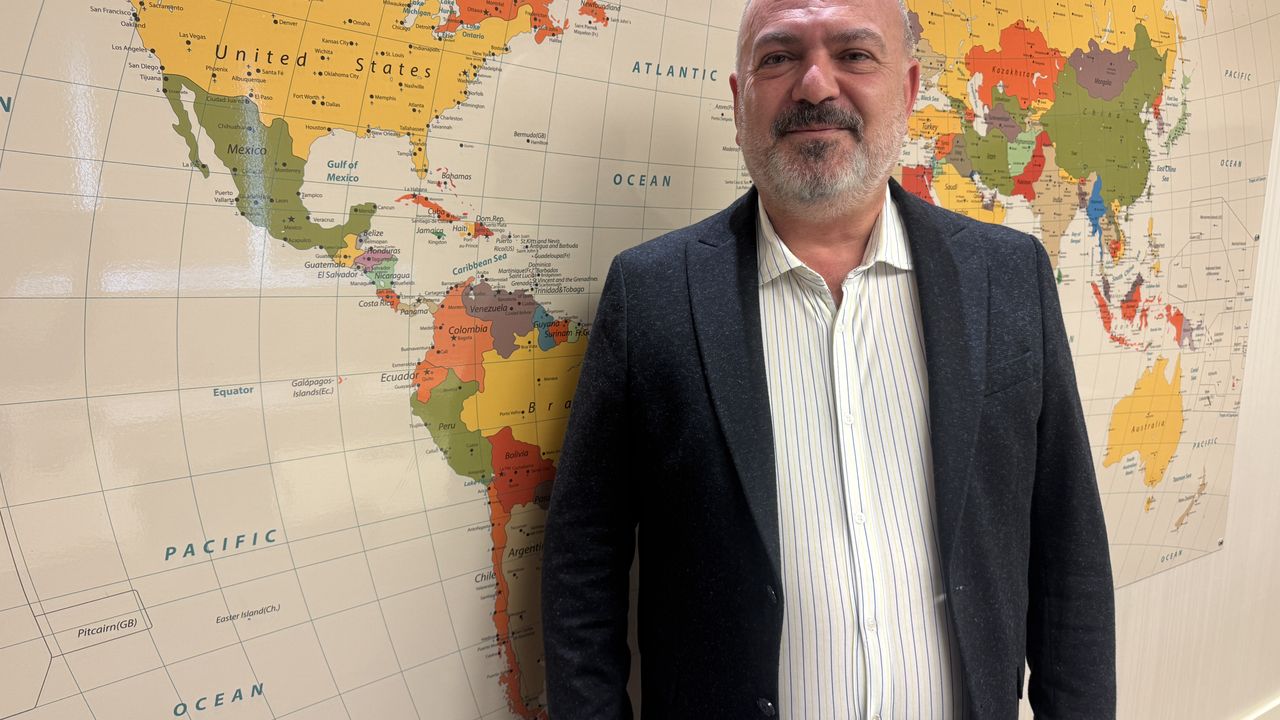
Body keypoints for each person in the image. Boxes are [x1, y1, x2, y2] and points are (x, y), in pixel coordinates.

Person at [540, 0, 1116, 717]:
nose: (815, 85)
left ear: (906, 88)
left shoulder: (1008, 277)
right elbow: (582, 565)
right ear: (739, 100)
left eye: (854, 54)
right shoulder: (652, 293)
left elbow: (1068, 548)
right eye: (779, 57)